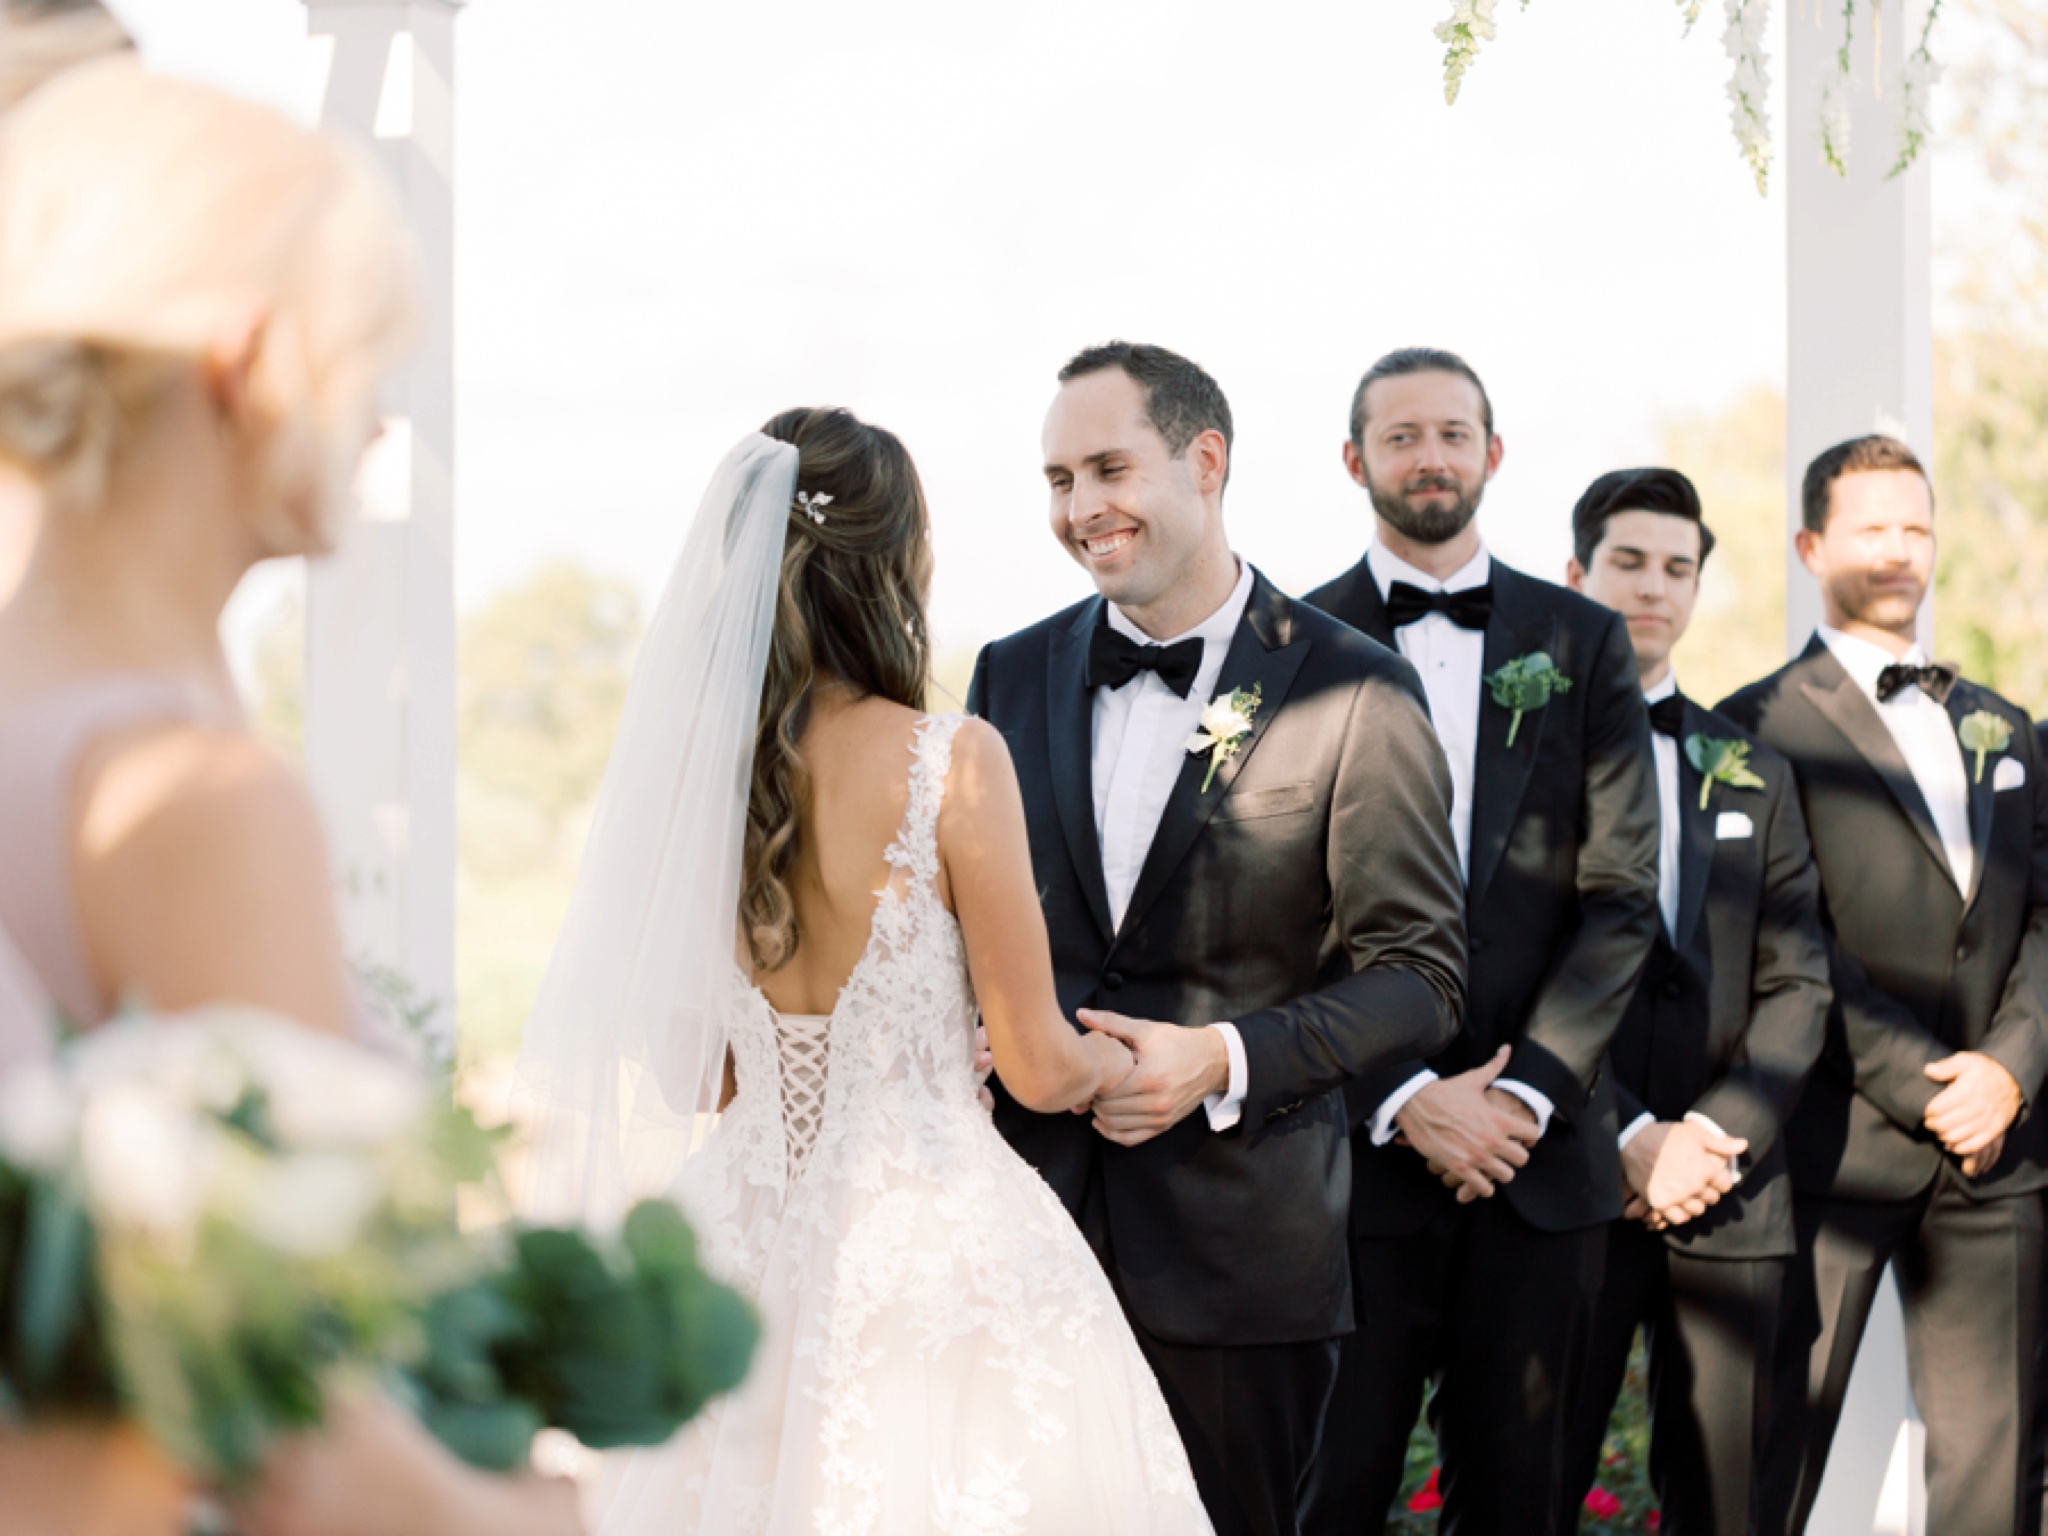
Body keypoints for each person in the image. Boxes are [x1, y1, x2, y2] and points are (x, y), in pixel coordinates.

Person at [0, 60, 579, 1536]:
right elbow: (301, 1452)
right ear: (248, 361)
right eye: (370, 364)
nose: (381, 425)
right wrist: (531, 1521)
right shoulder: (187, 798)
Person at [518, 406, 1219, 1535]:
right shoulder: (951, 759)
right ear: (892, 563)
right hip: (925, 1237)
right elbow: (1038, 1068)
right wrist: (1120, 1062)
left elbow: (696, 1078)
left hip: (734, 1228)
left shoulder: (699, 777)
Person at [967, 342, 1469, 1536]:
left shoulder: (1352, 688)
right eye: (1057, 481)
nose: (1079, 509)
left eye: (1107, 469)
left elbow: (1420, 976)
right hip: (1023, 1234)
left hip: (1240, 1266)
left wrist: (1221, 1059)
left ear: (1204, 461)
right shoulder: (1008, 673)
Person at [1301, 347, 1661, 1536]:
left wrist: (1523, 1096)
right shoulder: (1288, 640)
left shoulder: (1582, 640)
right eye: (1400, 436)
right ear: (1353, 459)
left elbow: (1620, 897)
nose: (1429, 457)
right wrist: (1403, 1094)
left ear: (1492, 453)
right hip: (1349, 1164)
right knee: (1323, 1497)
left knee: (1520, 1507)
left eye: (1452, 434)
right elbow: (1269, 910)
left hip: (1536, 1166)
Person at [1718, 435, 2048, 1536]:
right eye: (1871, 529)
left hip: (1999, 1152)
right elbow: (1784, 939)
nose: (1898, 550)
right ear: (1810, 546)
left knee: (1994, 1480)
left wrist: (2008, 1069)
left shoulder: (2002, 723)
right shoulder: (1751, 727)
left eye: (1915, 527)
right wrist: (1926, 1085)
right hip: (1830, 1143)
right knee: (1770, 1466)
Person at [1554, 468, 1831, 1536]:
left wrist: (1712, 1136)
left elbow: (1797, 978)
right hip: (1571, 1174)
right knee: (1523, 1491)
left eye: (1677, 568)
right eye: (1628, 562)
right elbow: (1506, 974)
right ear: (1576, 576)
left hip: (1731, 1187)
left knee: (1731, 1505)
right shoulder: (1522, 766)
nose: (1652, 587)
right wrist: (1626, 1135)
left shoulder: (1752, 766)